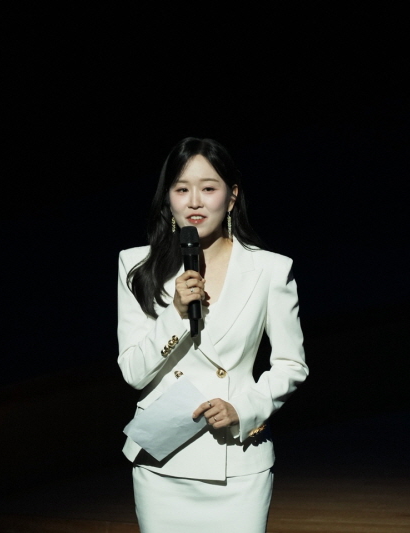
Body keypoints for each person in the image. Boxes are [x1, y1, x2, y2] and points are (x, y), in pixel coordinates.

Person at [117, 137, 308, 533]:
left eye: (208, 188)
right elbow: (133, 372)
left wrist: (243, 408)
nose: (194, 202)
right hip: (162, 462)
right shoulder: (136, 266)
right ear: (168, 198)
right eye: (181, 189)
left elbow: (291, 364)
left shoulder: (270, 270)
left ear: (232, 196)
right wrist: (175, 315)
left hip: (237, 460)